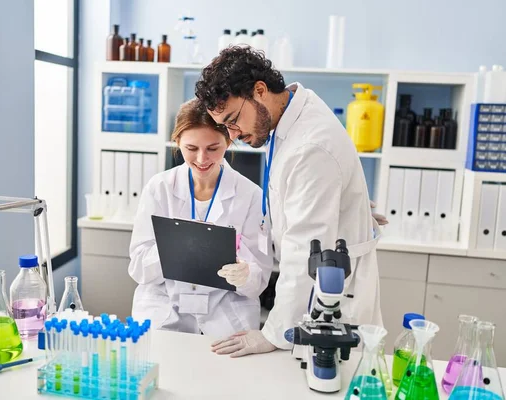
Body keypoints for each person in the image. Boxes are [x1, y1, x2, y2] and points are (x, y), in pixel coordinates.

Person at [195, 46, 383, 357]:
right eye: (225, 126)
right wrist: (350, 203)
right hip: (320, 281)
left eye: (233, 120)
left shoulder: (310, 145)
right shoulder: (289, 116)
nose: (233, 133)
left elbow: (303, 250)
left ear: (260, 90)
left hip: (331, 293)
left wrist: (273, 333)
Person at [128, 98, 272, 337]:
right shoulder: (159, 188)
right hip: (165, 313)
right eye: (191, 149)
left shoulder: (251, 195)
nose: (202, 159)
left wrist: (245, 274)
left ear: (229, 140)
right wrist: (175, 246)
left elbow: (259, 279)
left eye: (213, 148)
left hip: (225, 318)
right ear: (177, 142)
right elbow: (138, 268)